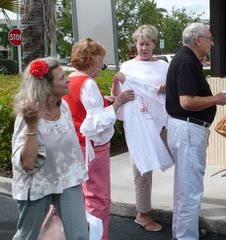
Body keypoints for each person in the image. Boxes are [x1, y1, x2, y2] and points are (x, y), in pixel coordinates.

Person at [63, 38, 134, 239]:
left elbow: (80, 110)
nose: (102, 66)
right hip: (92, 148)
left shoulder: (68, 79)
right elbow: (96, 122)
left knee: (77, 197)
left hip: (73, 145)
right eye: (101, 61)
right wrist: (117, 103)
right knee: (98, 199)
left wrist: (105, 100)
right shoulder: (88, 83)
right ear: (90, 60)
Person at [11, 57, 89, 240]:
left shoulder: (65, 107)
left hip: (67, 178)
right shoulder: (28, 115)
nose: (68, 79)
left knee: (80, 235)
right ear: (46, 86)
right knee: (27, 236)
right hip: (37, 183)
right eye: (62, 78)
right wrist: (32, 126)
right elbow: (28, 163)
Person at [165, 22, 226, 240]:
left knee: (184, 188)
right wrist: (216, 99)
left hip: (184, 129)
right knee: (190, 189)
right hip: (188, 130)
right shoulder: (187, 62)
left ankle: (182, 232)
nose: (212, 43)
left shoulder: (184, 59)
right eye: (210, 38)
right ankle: (185, 237)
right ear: (198, 39)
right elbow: (187, 101)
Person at [111, 24, 173, 232]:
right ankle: (142, 213)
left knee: (180, 159)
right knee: (142, 167)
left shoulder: (164, 67)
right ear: (135, 44)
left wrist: (167, 88)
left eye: (148, 44)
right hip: (138, 123)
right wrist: (116, 82)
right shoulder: (127, 67)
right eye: (140, 44)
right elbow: (116, 95)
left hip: (162, 122)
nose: (144, 48)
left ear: (154, 44)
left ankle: (184, 207)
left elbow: (174, 91)